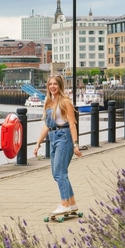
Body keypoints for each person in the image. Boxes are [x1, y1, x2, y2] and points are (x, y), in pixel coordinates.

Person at [33, 75, 82, 215]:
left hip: (64, 137)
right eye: (50, 84)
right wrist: (38, 143)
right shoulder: (49, 102)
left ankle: (64, 203)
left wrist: (75, 144)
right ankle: (72, 203)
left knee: (60, 173)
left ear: (60, 86)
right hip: (53, 137)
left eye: (55, 84)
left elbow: (72, 123)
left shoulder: (65, 102)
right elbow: (47, 126)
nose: (52, 86)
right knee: (57, 173)